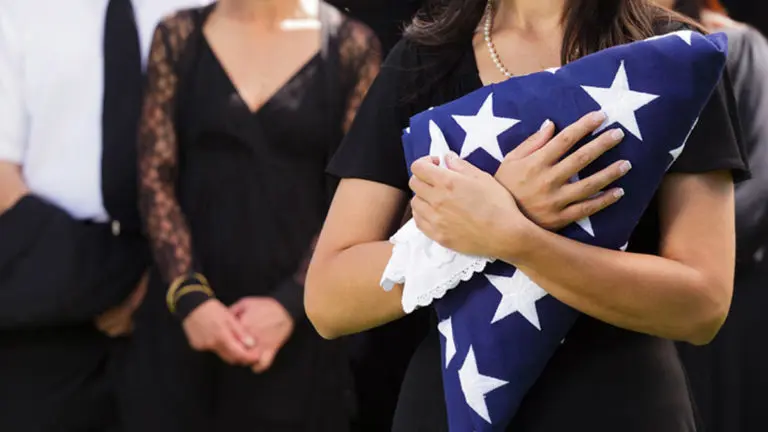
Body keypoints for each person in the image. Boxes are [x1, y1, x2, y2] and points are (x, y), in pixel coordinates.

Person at [305, 0, 748, 431]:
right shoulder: (427, 55)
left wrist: (514, 235)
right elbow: (328, 300)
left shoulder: (673, 53)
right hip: (454, 402)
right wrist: (467, 230)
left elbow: (702, 306)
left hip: (622, 405)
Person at [122, 1, 380, 431]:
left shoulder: (350, 46)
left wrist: (289, 305)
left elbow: (358, 197)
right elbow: (155, 179)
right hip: (185, 331)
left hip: (303, 334)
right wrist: (191, 298)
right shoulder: (178, 36)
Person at [0, 0, 208, 430]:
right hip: (46, 319)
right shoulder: (15, 11)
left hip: (190, 313)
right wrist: (117, 280)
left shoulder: (211, 8)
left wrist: (166, 280)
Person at [655, 1, 768, 431]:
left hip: (725, 292)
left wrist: (688, 251)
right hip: (642, 296)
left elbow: (759, 190)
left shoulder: (736, 45)